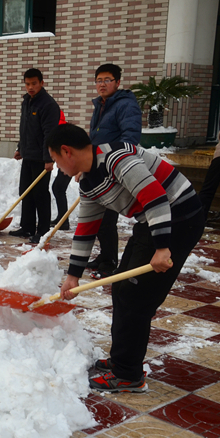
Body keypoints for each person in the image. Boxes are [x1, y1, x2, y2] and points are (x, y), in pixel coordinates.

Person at [48, 123, 204, 392]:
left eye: (56, 161)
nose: (58, 168)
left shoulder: (116, 158)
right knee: (121, 288)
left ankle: (128, 374)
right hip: (151, 221)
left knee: (136, 297)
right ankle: (122, 360)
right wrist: (73, 276)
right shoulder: (88, 182)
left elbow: (155, 197)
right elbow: (86, 229)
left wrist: (163, 247)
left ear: (67, 152)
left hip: (180, 216)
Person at [86, 63, 142, 278]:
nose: (102, 84)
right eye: (99, 80)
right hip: (98, 167)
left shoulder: (125, 105)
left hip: (114, 168)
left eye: (107, 80)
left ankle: (109, 263)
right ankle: (104, 256)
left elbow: (130, 138)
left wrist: (115, 164)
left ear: (117, 83)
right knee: (101, 218)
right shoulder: (101, 105)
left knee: (107, 219)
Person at [9, 68, 61, 244]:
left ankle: (43, 230)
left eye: (34, 84)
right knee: (26, 192)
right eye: (27, 84)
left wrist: (48, 158)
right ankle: (27, 226)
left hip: (41, 158)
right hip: (28, 154)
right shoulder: (27, 101)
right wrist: (20, 148)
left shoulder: (48, 105)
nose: (30, 87)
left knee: (40, 194)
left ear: (42, 83)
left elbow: (50, 133)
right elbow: (25, 129)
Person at [51, 109, 71, 230]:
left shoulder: (59, 130)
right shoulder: (62, 127)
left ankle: (64, 221)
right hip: (66, 163)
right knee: (58, 188)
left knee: (58, 188)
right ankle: (62, 219)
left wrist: (61, 161)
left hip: (68, 164)